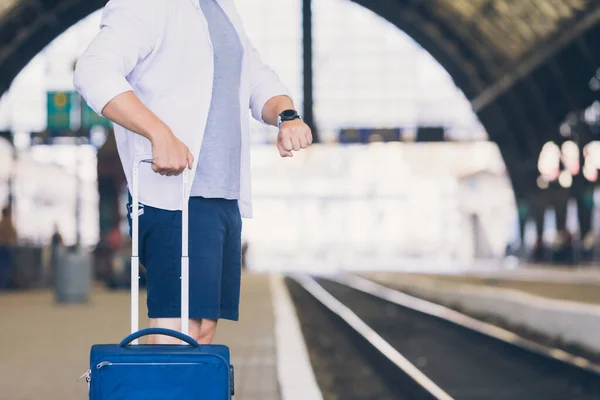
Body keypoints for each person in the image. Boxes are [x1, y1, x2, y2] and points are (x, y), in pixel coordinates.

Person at [74, 0, 312, 344]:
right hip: (175, 196)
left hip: (223, 196)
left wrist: (286, 114)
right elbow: (93, 69)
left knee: (201, 331)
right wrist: (159, 133)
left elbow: (257, 77)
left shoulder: (222, 9)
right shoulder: (147, 5)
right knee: (177, 331)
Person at [0, 207, 17, 290]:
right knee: (6, 267)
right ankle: (4, 286)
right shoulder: (9, 223)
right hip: (7, 247)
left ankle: (2, 286)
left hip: (1, 247)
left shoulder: (1, 223)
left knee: (2, 266)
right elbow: (14, 234)